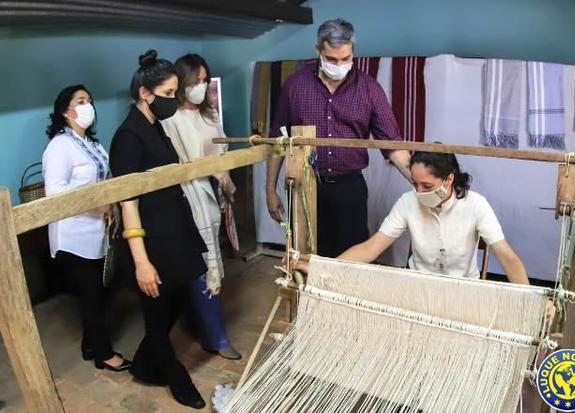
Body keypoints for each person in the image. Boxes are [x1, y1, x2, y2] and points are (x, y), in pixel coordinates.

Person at [109, 50, 207, 409]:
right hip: (150, 237)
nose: (173, 101)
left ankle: (148, 363)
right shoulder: (128, 138)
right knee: (156, 309)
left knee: (179, 297)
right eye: (168, 95)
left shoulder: (154, 126)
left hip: (174, 228)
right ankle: (176, 379)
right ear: (144, 93)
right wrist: (141, 262)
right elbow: (127, 202)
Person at [267, 18, 412, 258]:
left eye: (346, 59)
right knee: (304, 255)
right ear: (318, 51)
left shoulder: (369, 89)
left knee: (352, 259)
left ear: (353, 52)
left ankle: (345, 298)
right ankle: (309, 296)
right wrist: (270, 190)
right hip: (303, 185)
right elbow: (277, 141)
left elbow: (392, 144)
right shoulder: (295, 86)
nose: (339, 65)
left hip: (349, 190)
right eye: (332, 59)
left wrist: (420, 183)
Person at [336, 151, 529, 284]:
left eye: (427, 187)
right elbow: (371, 248)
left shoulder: (476, 205)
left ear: (449, 179)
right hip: (418, 288)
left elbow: (507, 256)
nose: (419, 192)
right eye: (415, 184)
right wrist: (325, 269)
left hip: (463, 292)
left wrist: (530, 301)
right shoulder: (408, 202)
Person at [42, 85, 131, 372]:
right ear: (65, 111)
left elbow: (106, 180)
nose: (87, 106)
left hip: (98, 231)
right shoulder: (59, 146)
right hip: (73, 234)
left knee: (102, 290)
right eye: (81, 101)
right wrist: (94, 206)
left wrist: (113, 206)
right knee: (92, 294)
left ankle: (89, 343)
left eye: (89, 101)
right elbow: (55, 192)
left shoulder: (93, 144)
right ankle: (103, 353)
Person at [161, 53, 241, 360]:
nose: (200, 85)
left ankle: (198, 322)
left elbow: (222, 151)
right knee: (202, 263)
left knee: (209, 258)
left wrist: (225, 178)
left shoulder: (209, 115)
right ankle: (216, 337)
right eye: (195, 80)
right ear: (180, 83)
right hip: (187, 195)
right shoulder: (171, 119)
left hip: (211, 191)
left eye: (204, 80)